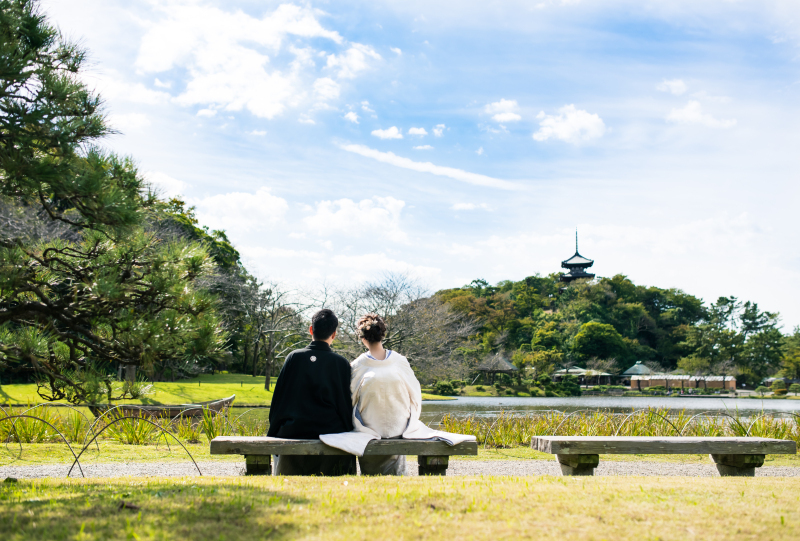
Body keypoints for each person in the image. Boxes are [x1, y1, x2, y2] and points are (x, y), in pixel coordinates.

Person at [267, 308, 356, 476]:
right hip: (330, 430)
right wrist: (348, 431)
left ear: (311, 330)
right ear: (334, 334)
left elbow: (279, 400)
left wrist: (273, 431)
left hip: (295, 429)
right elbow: (344, 404)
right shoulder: (341, 363)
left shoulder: (294, 357)